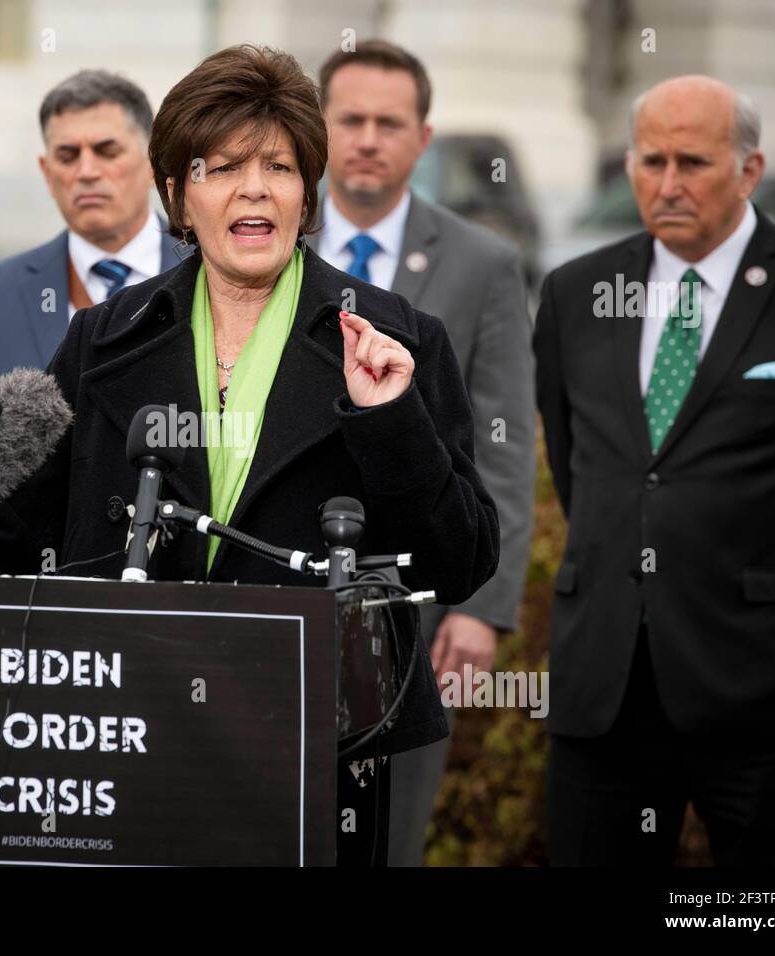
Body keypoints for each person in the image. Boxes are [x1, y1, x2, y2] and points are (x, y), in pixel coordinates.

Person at [0, 44, 500, 866]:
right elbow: (3, 523)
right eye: (221, 167)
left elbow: (460, 556)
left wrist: (391, 419)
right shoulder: (102, 339)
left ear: (308, 194)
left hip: (307, 755)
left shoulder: (396, 338)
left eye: (279, 167)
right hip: (123, 740)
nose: (254, 188)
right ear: (176, 197)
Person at [534, 75, 775, 865]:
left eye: (693, 162)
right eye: (650, 161)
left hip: (767, 689)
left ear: (750, 170)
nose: (667, 184)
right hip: (605, 685)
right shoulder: (576, 293)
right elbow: (584, 471)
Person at [314, 39, 535, 866]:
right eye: (351, 119)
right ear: (320, 127)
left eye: (389, 122)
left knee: (391, 834)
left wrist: (483, 606)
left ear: (422, 137)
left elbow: (505, 448)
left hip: (417, 604)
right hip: (279, 592)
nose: (368, 137)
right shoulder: (265, 245)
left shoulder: (484, 264)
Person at [0, 70, 189, 422]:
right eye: (67, 156)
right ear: (47, 172)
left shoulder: (217, 275)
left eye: (106, 151)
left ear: (151, 163)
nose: (86, 172)